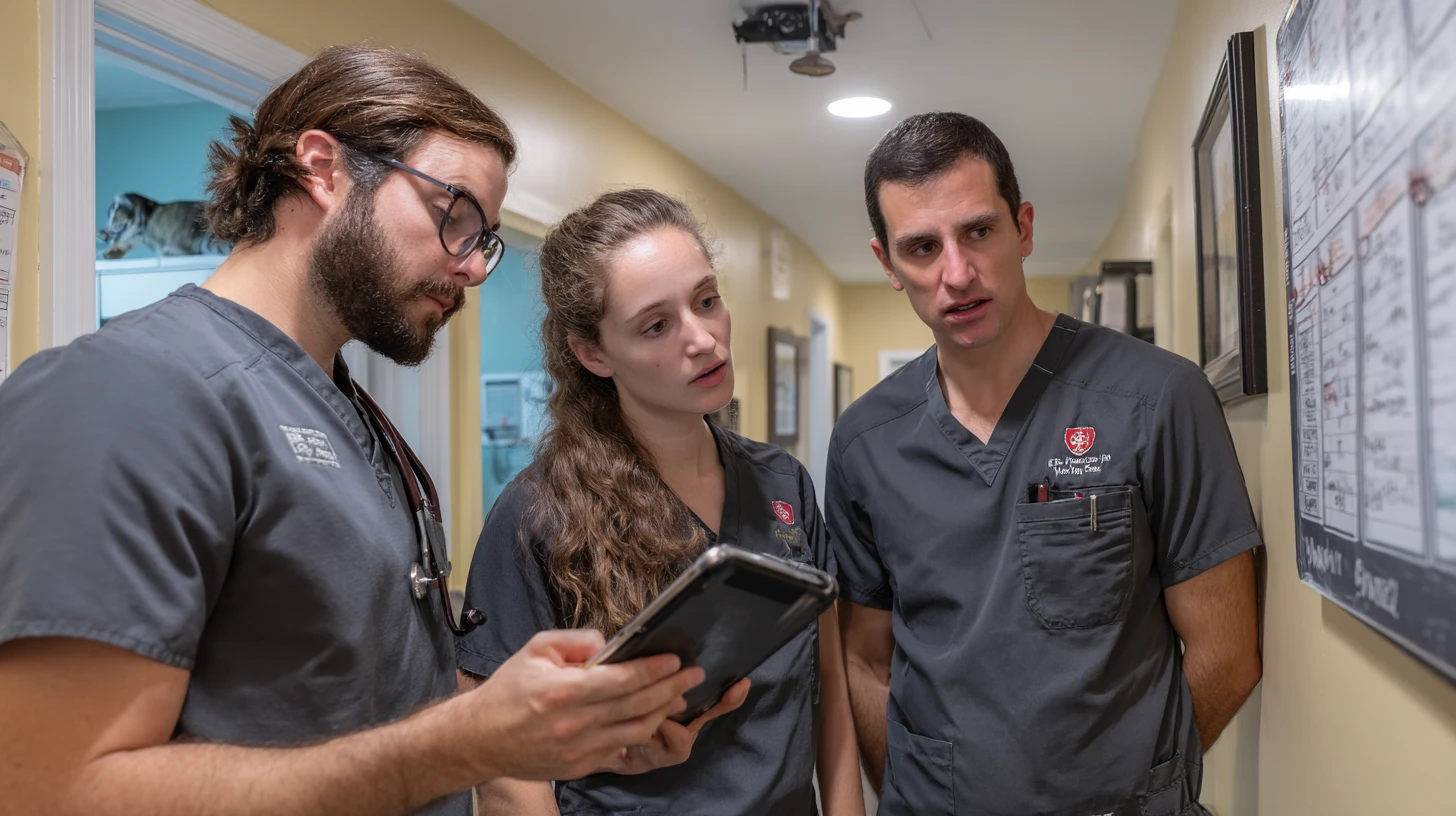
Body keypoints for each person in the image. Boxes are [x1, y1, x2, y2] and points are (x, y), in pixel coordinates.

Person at [0, 46, 708, 816]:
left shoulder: (352, 417)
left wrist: (550, 733)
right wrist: (463, 743)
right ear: (322, 168)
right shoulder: (128, 391)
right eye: (454, 216)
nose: (473, 267)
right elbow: (53, 789)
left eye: (484, 237)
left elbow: (363, 709)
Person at [829, 112, 1262, 815]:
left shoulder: (1156, 399)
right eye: (920, 247)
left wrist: (1150, 789)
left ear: (1022, 228)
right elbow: (864, 661)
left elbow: (1228, 652)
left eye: (979, 231)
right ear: (887, 264)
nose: (957, 273)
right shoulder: (864, 443)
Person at [456, 189, 865, 816]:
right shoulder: (537, 515)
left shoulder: (783, 483)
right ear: (592, 353)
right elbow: (508, 773)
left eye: (707, 300)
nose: (702, 339)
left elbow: (828, 685)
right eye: (656, 325)